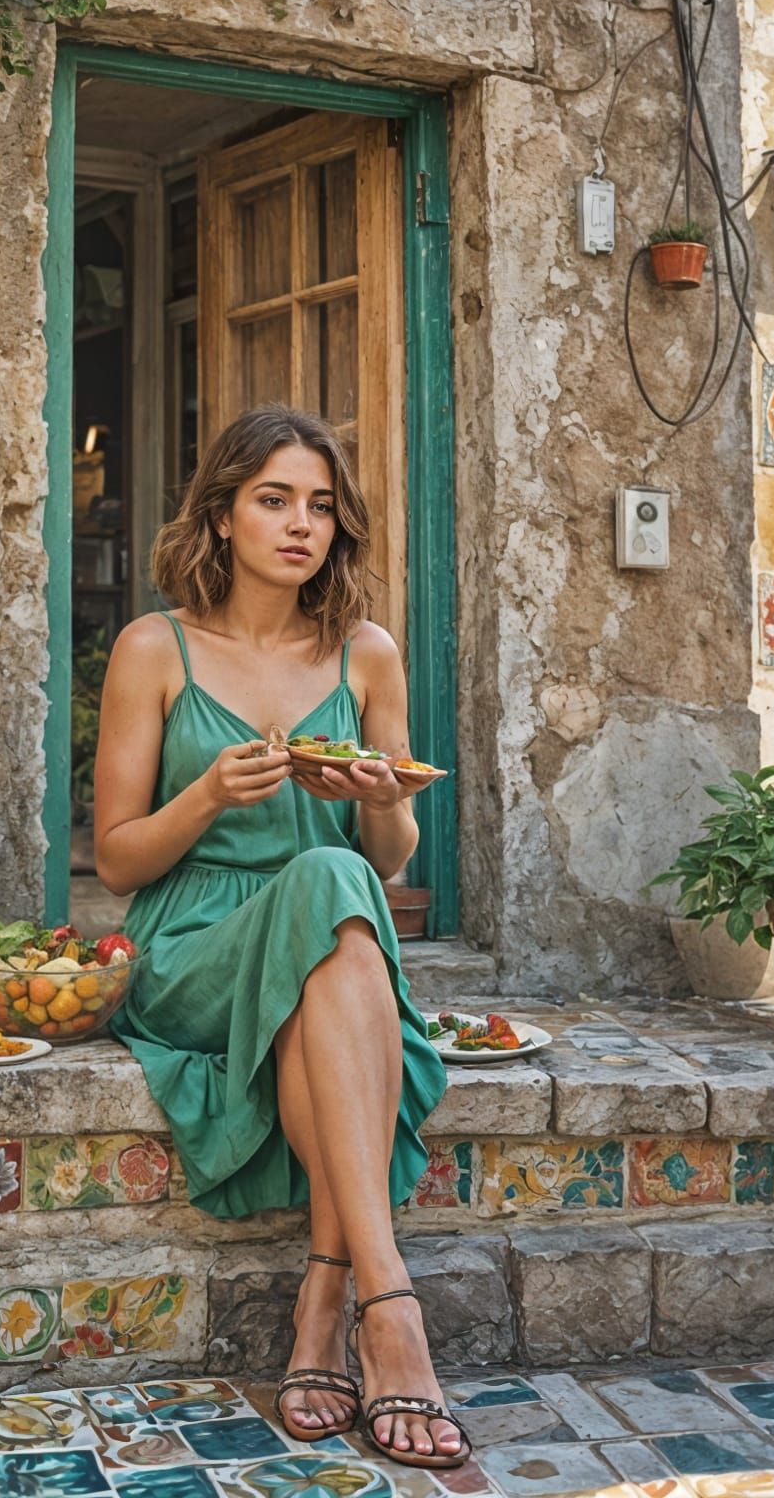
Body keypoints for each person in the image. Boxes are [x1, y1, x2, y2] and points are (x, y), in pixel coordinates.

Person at [93, 403, 469, 1470]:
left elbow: (388, 856)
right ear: (220, 516)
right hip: (194, 942)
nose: (300, 524)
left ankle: (329, 1301)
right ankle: (387, 1309)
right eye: (272, 500)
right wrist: (208, 794)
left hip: (331, 927)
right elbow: (118, 859)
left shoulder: (367, 656)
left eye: (319, 505)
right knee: (331, 890)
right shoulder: (153, 649)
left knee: (338, 882)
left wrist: (378, 796)